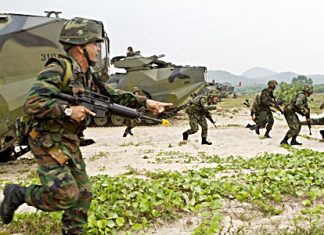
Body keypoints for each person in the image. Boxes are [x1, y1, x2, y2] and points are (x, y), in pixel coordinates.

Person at [0, 17, 171, 235]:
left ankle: (74, 231)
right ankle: (18, 194)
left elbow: (109, 95)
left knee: (83, 193)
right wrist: (69, 110)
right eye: (95, 44)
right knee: (65, 195)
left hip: (68, 140)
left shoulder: (86, 75)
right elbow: (33, 103)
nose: (98, 50)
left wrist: (146, 103)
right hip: (47, 139)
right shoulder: (59, 68)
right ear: (80, 47)